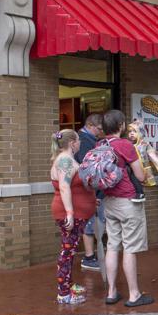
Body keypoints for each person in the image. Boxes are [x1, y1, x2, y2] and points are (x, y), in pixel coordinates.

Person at [100, 109, 154, 307]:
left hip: (109, 201)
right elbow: (140, 176)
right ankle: (134, 294)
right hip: (128, 202)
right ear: (121, 126)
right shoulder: (125, 144)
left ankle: (112, 292)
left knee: (112, 246)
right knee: (130, 247)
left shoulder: (100, 144)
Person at [49, 129, 97, 304]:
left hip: (76, 213)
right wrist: (70, 212)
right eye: (78, 141)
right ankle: (63, 293)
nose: (80, 143)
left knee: (69, 251)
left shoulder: (66, 159)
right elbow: (64, 187)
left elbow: (75, 187)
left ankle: (68, 285)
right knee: (67, 252)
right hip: (69, 214)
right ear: (72, 143)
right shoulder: (64, 161)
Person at [75, 113, 104, 271]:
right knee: (90, 225)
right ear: (90, 125)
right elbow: (87, 168)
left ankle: (91, 255)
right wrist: (94, 194)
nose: (100, 132)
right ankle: (88, 257)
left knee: (93, 224)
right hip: (89, 191)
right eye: (98, 129)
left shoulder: (89, 140)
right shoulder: (85, 141)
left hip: (93, 191)